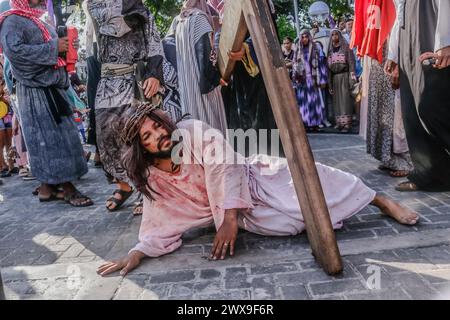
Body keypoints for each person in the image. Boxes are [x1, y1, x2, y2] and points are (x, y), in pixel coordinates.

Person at [96, 103, 419, 276]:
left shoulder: (190, 132)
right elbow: (158, 220)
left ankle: (380, 199)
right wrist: (138, 252)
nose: (158, 135)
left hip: (252, 179)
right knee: (294, 223)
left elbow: (225, 163)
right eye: (147, 137)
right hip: (247, 212)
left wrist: (228, 218)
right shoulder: (155, 178)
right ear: (141, 150)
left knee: (311, 178)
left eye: (156, 126)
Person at [87, 0, 182, 215]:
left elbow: (154, 42)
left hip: (135, 82)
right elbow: (102, 36)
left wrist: (154, 75)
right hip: (107, 83)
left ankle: (144, 189)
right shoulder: (94, 6)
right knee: (107, 138)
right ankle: (125, 185)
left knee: (138, 138)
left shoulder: (139, 9)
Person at [0, 0, 92, 206]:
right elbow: (15, 53)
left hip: (51, 88)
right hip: (35, 92)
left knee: (57, 137)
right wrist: (53, 47)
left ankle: (46, 188)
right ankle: (67, 187)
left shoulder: (36, 20)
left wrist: (67, 46)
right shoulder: (12, 21)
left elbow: (53, 49)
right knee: (51, 140)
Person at [385, 0, 450, 192]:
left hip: (429, 30)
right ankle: (431, 175)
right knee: (411, 110)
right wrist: (393, 54)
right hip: (407, 39)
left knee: (432, 106)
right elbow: (400, 15)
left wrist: (446, 41)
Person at [167, 0, 228, 136]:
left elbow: (168, 47)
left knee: (193, 128)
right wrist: (216, 78)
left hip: (186, 85)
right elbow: (206, 53)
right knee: (211, 127)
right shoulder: (199, 18)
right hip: (202, 84)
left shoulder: (178, 21)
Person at [367, 43, 413, 178]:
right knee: (382, 112)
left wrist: (397, 62)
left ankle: (407, 162)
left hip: (391, 56)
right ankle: (388, 156)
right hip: (379, 57)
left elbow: (397, 31)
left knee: (395, 111)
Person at [293, 29, 328, 132]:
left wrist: (322, 79)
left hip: (313, 79)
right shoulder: (298, 50)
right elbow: (295, 63)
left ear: (309, 37)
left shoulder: (316, 48)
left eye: (306, 36)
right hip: (302, 80)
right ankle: (306, 123)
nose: (304, 39)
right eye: (302, 37)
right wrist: (297, 75)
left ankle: (315, 124)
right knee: (304, 103)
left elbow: (321, 64)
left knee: (314, 102)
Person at [327, 29, 356, 133]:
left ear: (340, 35)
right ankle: (339, 123)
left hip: (344, 76)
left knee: (345, 101)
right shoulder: (330, 50)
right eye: (332, 35)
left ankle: (347, 124)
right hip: (335, 79)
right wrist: (329, 84)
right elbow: (328, 69)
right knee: (337, 102)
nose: (334, 36)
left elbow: (352, 64)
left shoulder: (346, 48)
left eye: (336, 34)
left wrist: (352, 79)